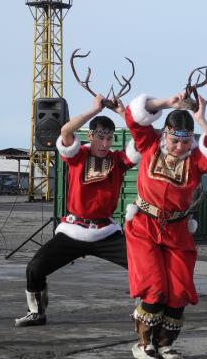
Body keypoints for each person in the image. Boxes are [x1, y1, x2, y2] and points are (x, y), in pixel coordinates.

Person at [124, 92, 207, 359]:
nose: (180, 147)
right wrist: (165, 103)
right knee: (155, 286)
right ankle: (144, 343)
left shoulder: (196, 159)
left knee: (180, 289)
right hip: (144, 226)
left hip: (178, 229)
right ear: (164, 136)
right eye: (174, 141)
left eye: (186, 141)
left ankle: (165, 343)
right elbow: (133, 115)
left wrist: (201, 119)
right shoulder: (148, 143)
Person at [15, 94, 140, 327]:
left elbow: (143, 141)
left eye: (109, 138)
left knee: (142, 263)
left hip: (105, 231)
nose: (105, 144)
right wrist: (93, 111)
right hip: (73, 230)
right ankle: (37, 311)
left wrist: (123, 113)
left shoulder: (118, 160)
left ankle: (142, 312)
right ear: (90, 136)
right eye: (100, 137)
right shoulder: (77, 155)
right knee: (35, 267)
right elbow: (65, 131)